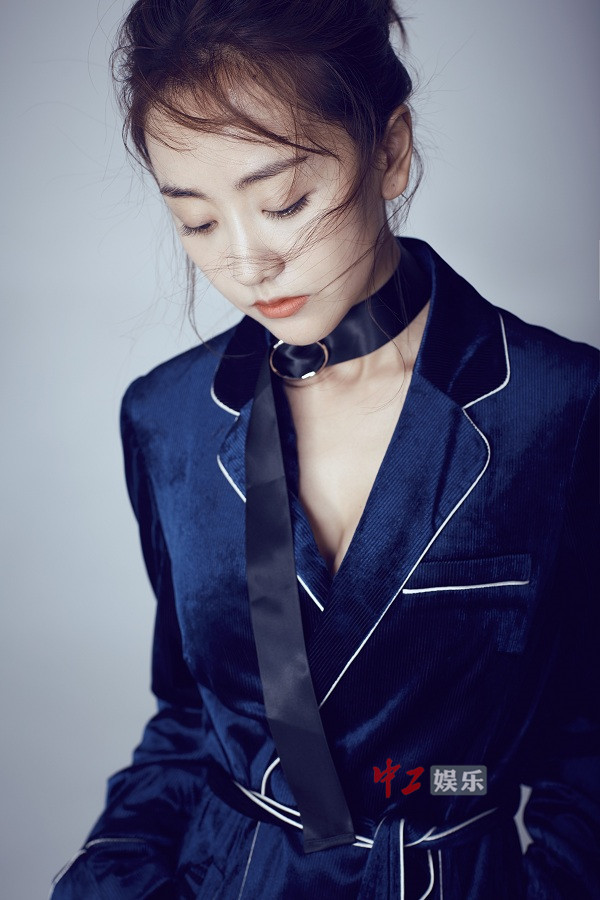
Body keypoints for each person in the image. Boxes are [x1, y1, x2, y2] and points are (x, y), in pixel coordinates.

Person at [51, 0, 599, 897]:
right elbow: (189, 720)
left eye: (284, 203)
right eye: (197, 222)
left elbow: (584, 745)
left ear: (390, 151)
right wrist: (109, 877)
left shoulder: (560, 406)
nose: (246, 263)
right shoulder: (166, 417)